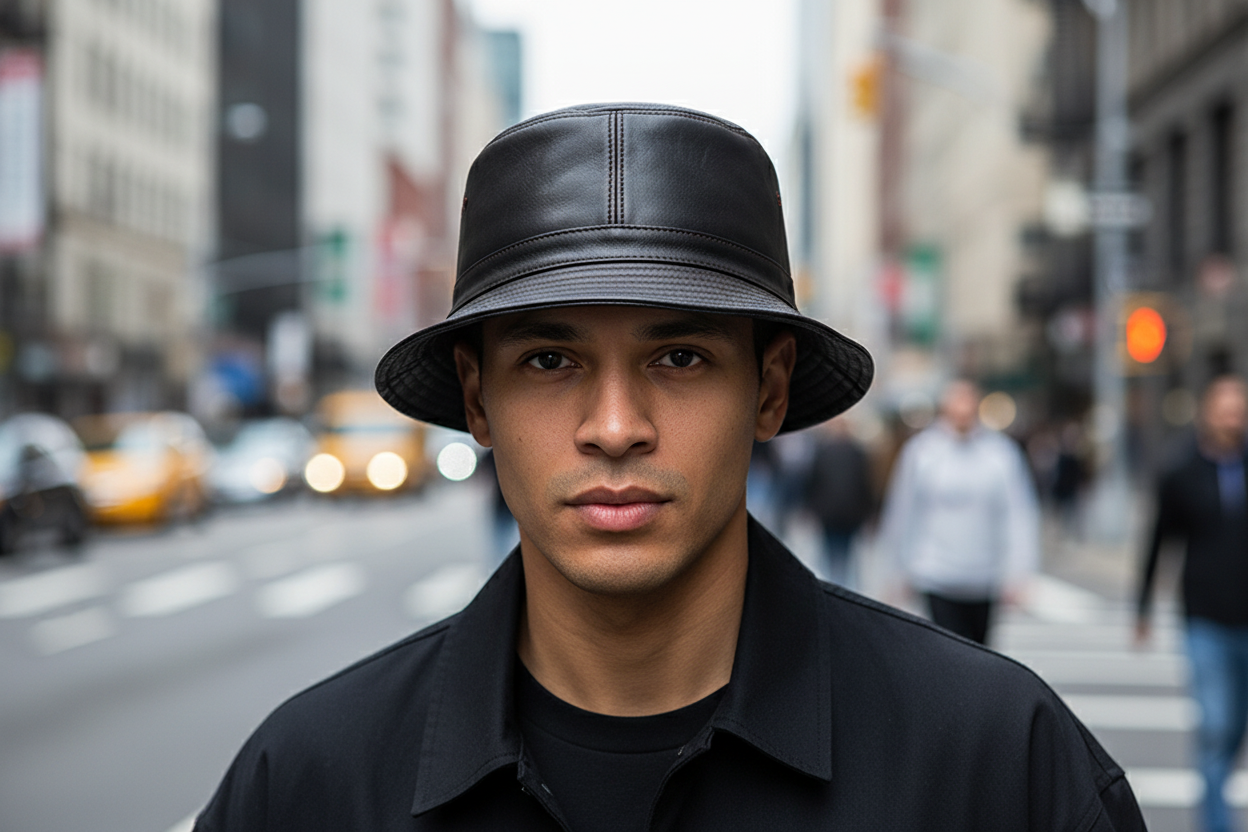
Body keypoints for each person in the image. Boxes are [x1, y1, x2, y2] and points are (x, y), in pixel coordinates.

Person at [195, 103, 1142, 831]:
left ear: (769, 391)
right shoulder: (311, 781)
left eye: (679, 358)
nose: (615, 427)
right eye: (549, 361)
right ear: (477, 400)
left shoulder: (996, 766)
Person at [1136, 375, 1248, 832]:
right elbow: (1158, 541)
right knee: (1216, 728)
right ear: (1207, 412)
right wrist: (1141, 606)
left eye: (1239, 409)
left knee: (1236, 727)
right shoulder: (1181, 473)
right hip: (1204, 618)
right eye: (1224, 407)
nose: (1232, 417)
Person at [880, 379, 1041, 645]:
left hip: (984, 576)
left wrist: (1020, 572)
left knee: (979, 653)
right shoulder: (922, 453)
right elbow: (902, 512)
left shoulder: (1000, 454)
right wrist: (896, 571)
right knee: (946, 653)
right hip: (935, 574)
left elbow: (1018, 514)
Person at [804, 418, 873, 586]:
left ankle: (832, 585)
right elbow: (865, 485)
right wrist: (869, 513)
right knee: (846, 552)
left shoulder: (823, 451)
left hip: (829, 512)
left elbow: (813, 481)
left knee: (830, 551)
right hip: (850, 513)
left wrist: (811, 508)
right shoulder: (858, 453)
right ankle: (841, 585)